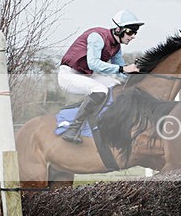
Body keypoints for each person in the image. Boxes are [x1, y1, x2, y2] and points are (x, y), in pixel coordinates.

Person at [57, 9, 143, 143]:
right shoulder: (97, 36)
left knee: (116, 86)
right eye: (130, 32)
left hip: (85, 75)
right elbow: (93, 64)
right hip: (69, 75)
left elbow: (121, 71)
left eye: (135, 32)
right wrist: (123, 68)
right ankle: (72, 129)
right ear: (118, 30)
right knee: (100, 90)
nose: (133, 36)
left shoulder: (117, 47)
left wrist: (138, 75)